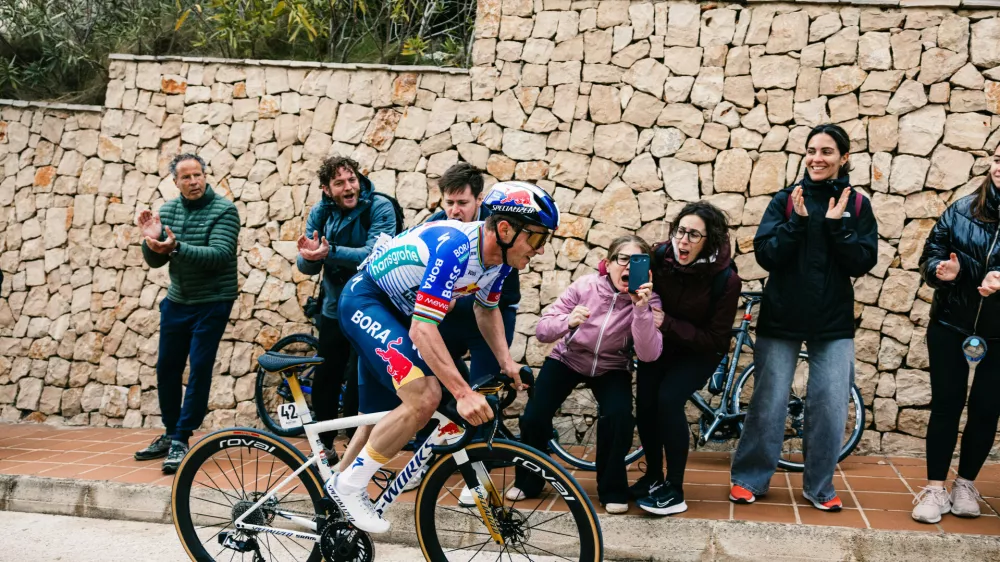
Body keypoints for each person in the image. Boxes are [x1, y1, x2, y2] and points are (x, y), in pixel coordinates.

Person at [329, 181, 559, 533]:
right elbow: (422, 330)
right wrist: (464, 392)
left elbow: (487, 309)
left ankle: (332, 505)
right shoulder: (456, 249)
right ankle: (349, 486)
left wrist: (506, 362)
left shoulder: (501, 260)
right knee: (426, 396)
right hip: (368, 301)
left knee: (376, 419)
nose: (540, 250)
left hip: (396, 313)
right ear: (505, 229)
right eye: (538, 238)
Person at [729, 124, 878, 511]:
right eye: (811, 150)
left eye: (827, 151)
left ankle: (820, 487)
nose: (817, 158)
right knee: (769, 402)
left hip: (833, 321)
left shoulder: (857, 205)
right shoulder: (784, 200)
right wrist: (795, 222)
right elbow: (767, 255)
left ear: (843, 158)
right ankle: (749, 478)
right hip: (782, 316)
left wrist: (837, 226)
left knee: (829, 405)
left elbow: (863, 261)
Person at [508, 235, 661, 514]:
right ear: (608, 263)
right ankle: (529, 482)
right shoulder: (585, 286)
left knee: (619, 417)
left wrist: (641, 310)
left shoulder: (650, 301)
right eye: (622, 259)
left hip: (612, 366)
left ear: (647, 269)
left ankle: (612, 489)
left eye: (637, 261)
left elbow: (649, 354)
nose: (628, 266)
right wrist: (568, 321)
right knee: (533, 417)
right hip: (568, 358)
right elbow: (543, 330)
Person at [630, 202, 741, 516]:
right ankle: (653, 476)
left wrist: (667, 323)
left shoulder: (726, 280)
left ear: (709, 240)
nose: (684, 241)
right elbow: (620, 267)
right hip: (661, 344)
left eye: (694, 235)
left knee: (668, 399)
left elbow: (716, 338)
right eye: (681, 231)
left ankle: (674, 488)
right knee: (647, 405)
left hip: (700, 351)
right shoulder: (660, 257)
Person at [132, 154, 240, 474]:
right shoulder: (167, 211)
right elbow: (156, 262)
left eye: (198, 175)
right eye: (186, 177)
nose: (194, 181)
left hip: (214, 301)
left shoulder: (224, 210)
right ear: (175, 182)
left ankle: (182, 437)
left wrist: (175, 247)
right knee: (167, 367)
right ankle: (169, 432)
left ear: (205, 176)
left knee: (200, 367)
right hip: (178, 300)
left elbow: (219, 255)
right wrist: (151, 241)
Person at [911, 145, 1000, 524]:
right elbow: (930, 255)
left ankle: (965, 484)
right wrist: (938, 271)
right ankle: (934, 488)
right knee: (946, 404)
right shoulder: (962, 209)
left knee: (986, 408)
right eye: (999, 159)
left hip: (999, 335)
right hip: (950, 324)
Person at [296, 156, 398, 456]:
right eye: (339, 183)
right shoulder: (320, 211)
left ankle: (359, 451)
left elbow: (375, 254)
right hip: (333, 308)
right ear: (328, 189)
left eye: (351, 179)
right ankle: (324, 447)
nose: (348, 187)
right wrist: (311, 256)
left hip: (371, 307)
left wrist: (330, 252)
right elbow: (306, 265)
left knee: (358, 379)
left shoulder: (380, 207)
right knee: (327, 376)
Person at [428, 162, 520, 385]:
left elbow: (507, 296)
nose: (454, 211)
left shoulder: (502, 228)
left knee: (484, 393)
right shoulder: (434, 224)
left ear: (480, 199)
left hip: (493, 312)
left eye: (462, 203)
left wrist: (455, 303)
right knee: (437, 382)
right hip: (450, 316)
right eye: (449, 203)